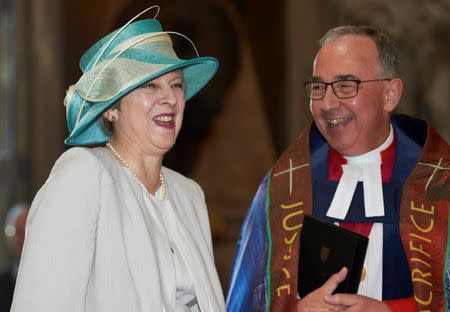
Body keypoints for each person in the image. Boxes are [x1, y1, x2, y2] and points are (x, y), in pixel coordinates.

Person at [11, 6, 226, 312]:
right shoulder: (84, 175)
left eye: (176, 84)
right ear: (111, 108)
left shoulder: (189, 194)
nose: (170, 97)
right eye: (149, 84)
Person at [227, 25, 449, 312]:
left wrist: (392, 311)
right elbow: (249, 302)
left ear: (390, 94)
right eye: (318, 87)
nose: (328, 103)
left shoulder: (439, 185)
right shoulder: (282, 190)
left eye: (346, 86)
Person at [0, 203, 28, 311]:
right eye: (19, 233)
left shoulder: (48, 279)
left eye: (26, 233)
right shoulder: (2, 284)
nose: (22, 239)